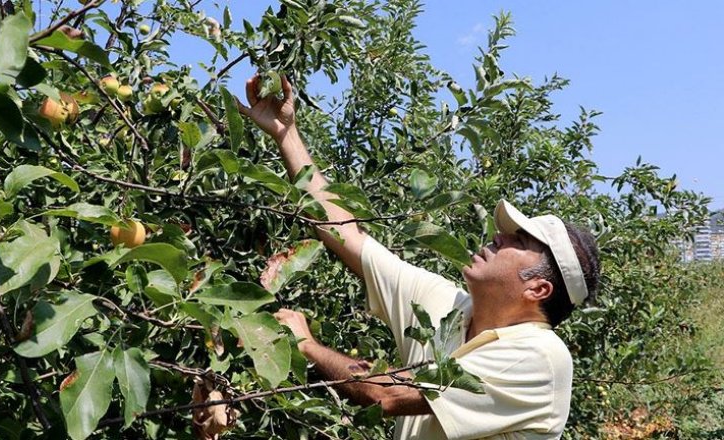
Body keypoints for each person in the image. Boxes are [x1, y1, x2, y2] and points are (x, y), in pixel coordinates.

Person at [237, 73, 601, 439]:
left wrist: (307, 345)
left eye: (518, 243)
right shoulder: (446, 308)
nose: (499, 237)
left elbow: (388, 395)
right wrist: (287, 133)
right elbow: (346, 234)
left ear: (538, 289)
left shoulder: (541, 357)